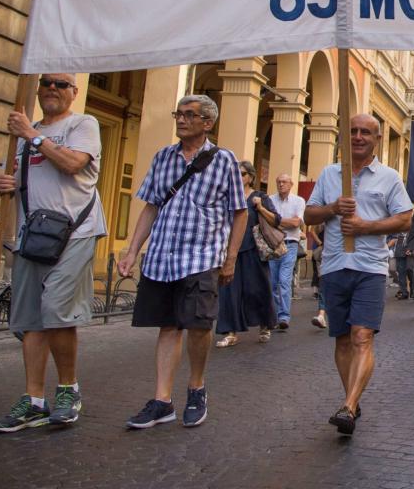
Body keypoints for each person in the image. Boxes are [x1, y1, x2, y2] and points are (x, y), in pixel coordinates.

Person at [118, 95, 247, 429]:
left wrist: (230, 258)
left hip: (203, 255)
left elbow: (239, 212)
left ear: (208, 122)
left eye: (190, 115)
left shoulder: (225, 161)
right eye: (179, 113)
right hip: (162, 255)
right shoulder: (163, 157)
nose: (181, 120)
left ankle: (196, 386)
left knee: (199, 325)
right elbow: (151, 207)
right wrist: (133, 250)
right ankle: (162, 401)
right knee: (168, 325)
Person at [0, 74, 105, 432]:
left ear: (74, 92)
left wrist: (32, 136)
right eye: (46, 83)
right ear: (37, 91)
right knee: (29, 319)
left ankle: (69, 390)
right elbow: (30, 180)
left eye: (61, 84)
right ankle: (34, 400)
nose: (52, 88)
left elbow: (72, 164)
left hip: (74, 232)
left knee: (56, 310)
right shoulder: (26, 134)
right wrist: (7, 184)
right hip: (32, 235)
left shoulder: (83, 124)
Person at [305, 113, 413, 437]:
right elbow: (309, 214)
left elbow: (405, 219)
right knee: (341, 340)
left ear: (377, 139)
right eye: (352, 131)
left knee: (361, 336)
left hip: (370, 268)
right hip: (335, 265)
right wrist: (333, 209)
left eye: (365, 132)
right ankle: (352, 397)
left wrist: (367, 227)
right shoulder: (329, 174)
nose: (358, 136)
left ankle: (349, 406)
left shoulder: (389, 178)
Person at [214, 161, 279, 347]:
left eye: (242, 173)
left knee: (257, 290)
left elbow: (276, 220)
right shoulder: (226, 197)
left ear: (250, 177)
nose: (238, 176)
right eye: (235, 173)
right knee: (229, 293)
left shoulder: (259, 197)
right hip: (229, 251)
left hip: (253, 251)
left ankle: (265, 325)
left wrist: (260, 208)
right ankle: (231, 332)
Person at [267, 173, 305, 331]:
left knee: (284, 280)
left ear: (291, 184)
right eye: (278, 181)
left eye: (284, 182)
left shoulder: (299, 201)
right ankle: (275, 316)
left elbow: (296, 223)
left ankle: (283, 316)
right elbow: (266, 222)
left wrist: (276, 221)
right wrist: (284, 223)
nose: (281, 184)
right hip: (273, 244)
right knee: (273, 282)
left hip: (290, 244)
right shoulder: (270, 200)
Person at [389, 227, 413, 299]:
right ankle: (403, 292)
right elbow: (389, 238)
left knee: (411, 271)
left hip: (410, 252)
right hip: (399, 252)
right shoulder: (395, 228)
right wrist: (391, 249)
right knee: (401, 273)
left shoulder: (413, 223)